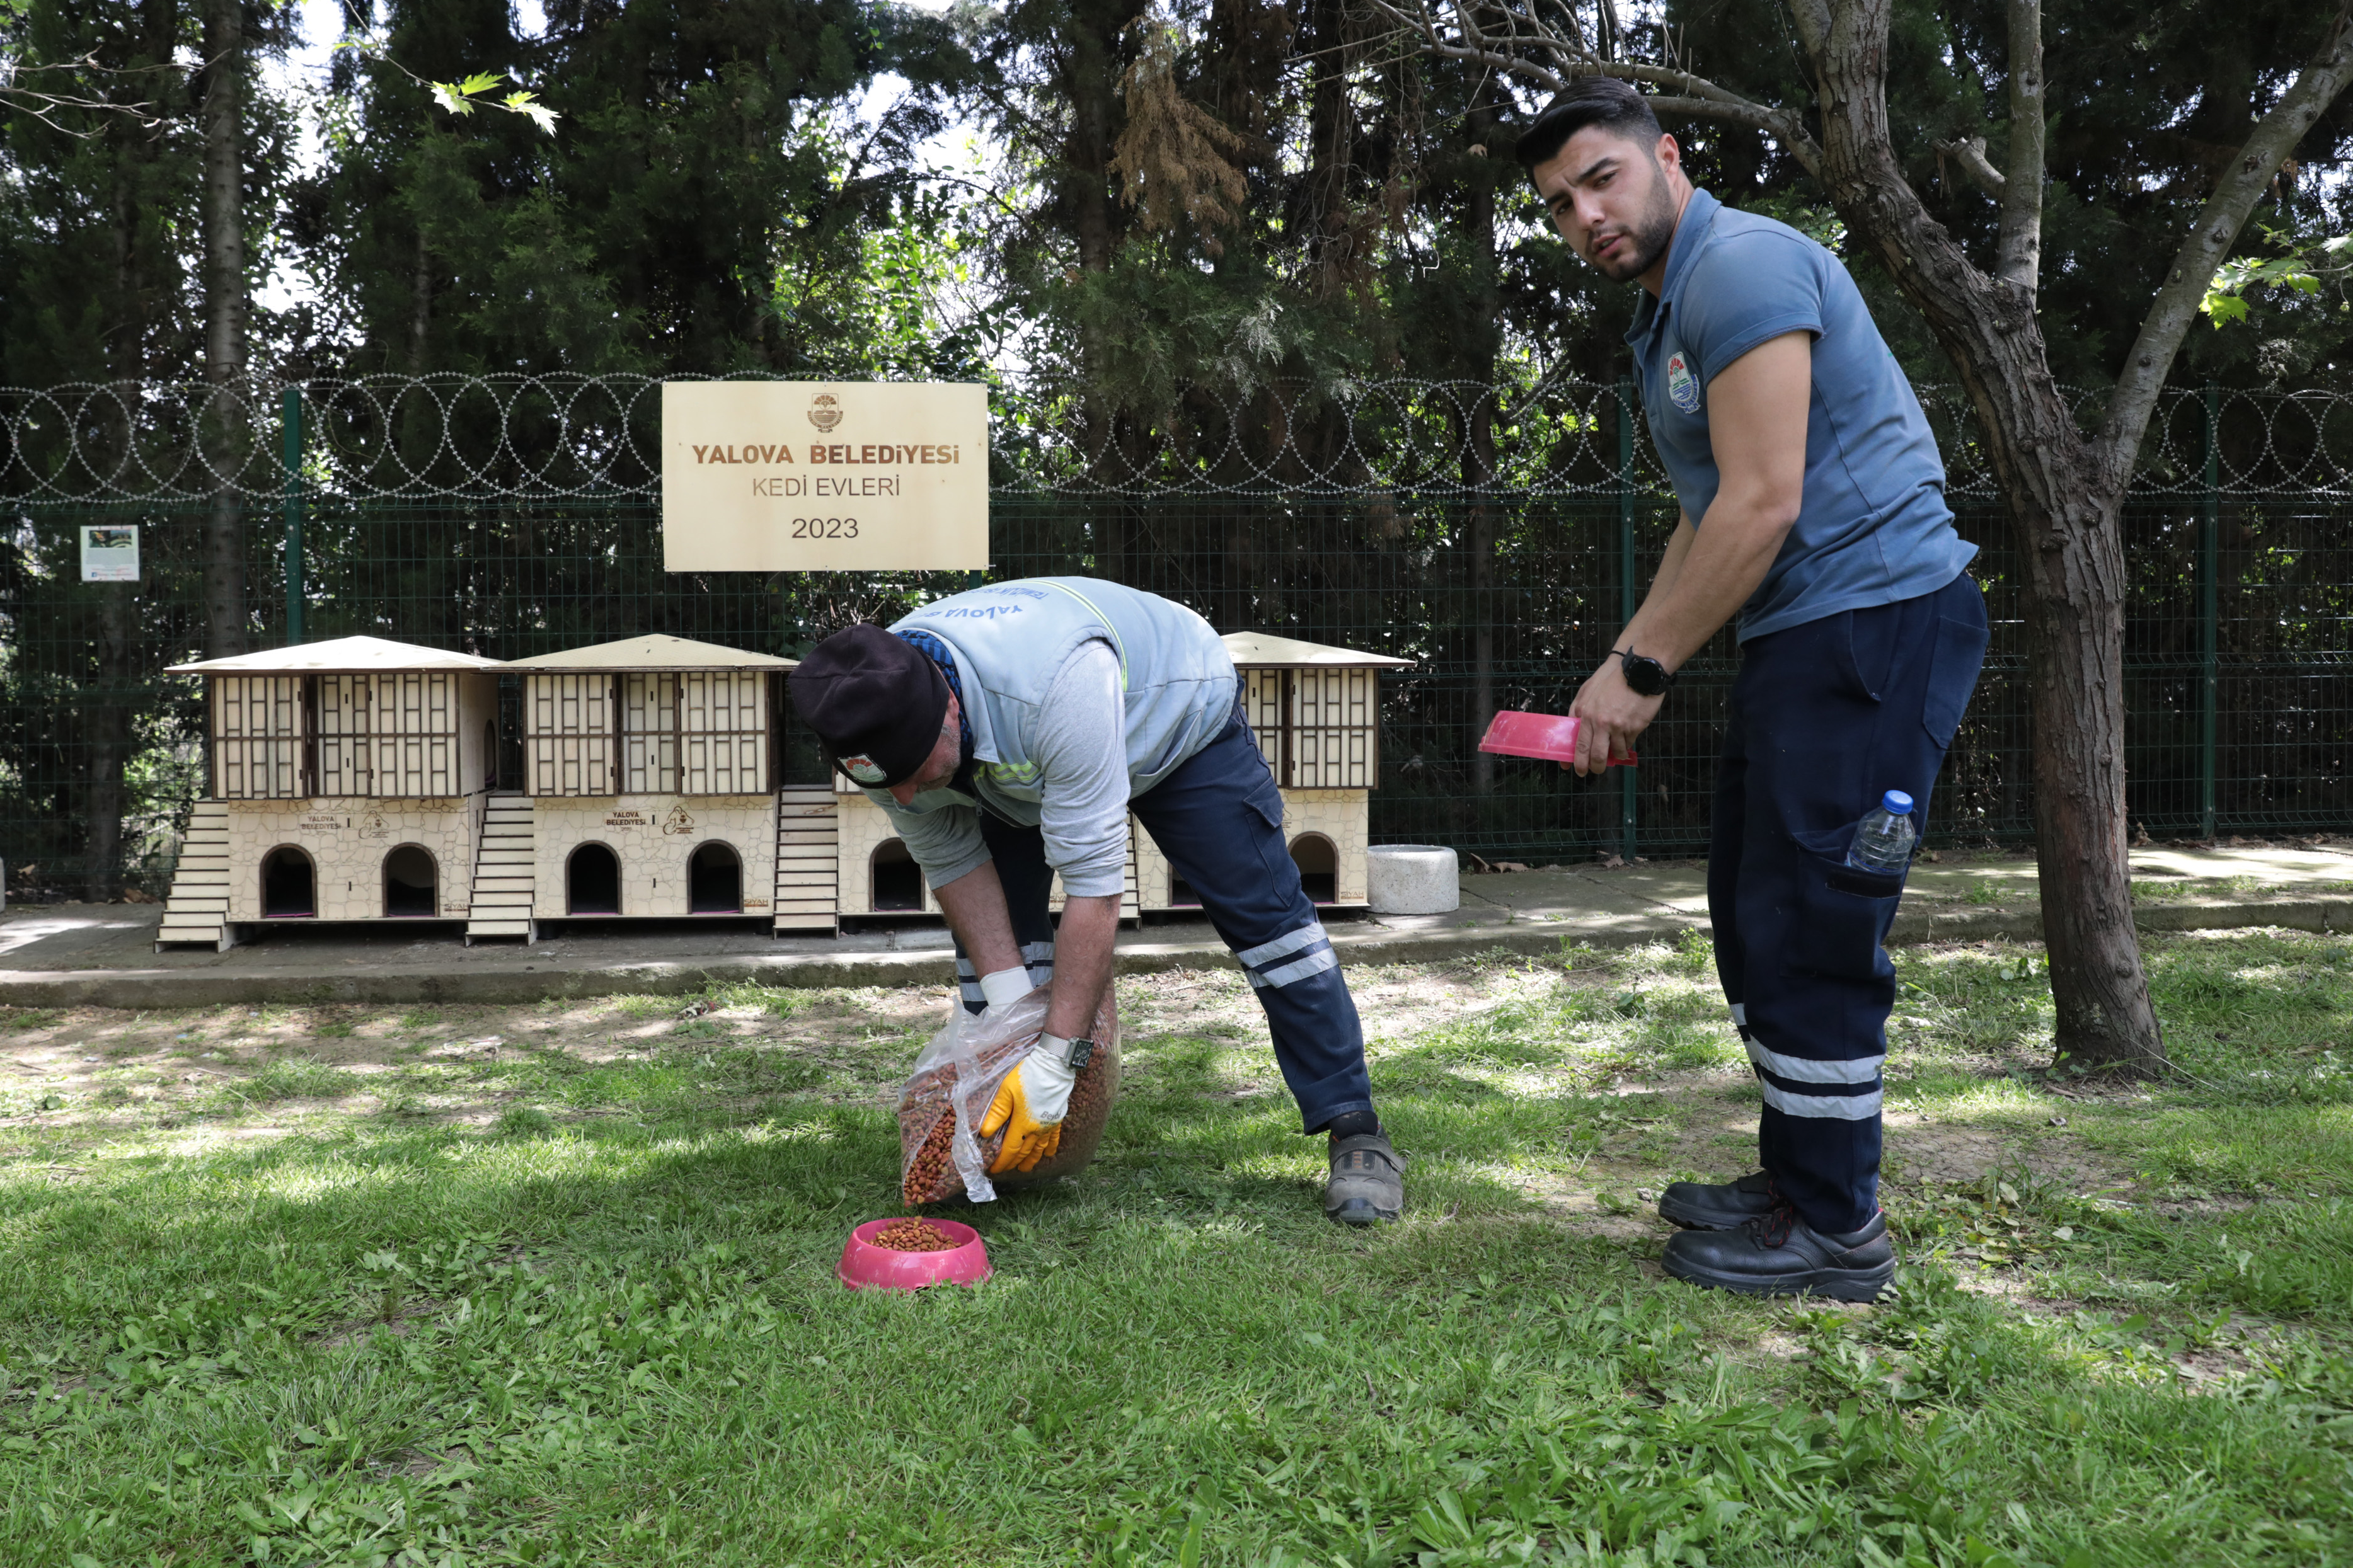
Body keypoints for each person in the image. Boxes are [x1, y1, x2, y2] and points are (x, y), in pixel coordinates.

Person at [1517, 77, 1990, 1300]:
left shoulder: (1740, 270)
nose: (1583, 216)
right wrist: (1620, 666)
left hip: (1874, 619)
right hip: (1810, 632)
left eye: (1599, 179)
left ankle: (1836, 1226)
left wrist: (1642, 667)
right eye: (1559, 205)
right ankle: (1797, 1180)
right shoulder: (1665, 317)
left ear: (1666, 157)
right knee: (1755, 905)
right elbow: (1701, 519)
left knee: (1818, 917)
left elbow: (1764, 500)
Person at [788, 579, 1405, 1225]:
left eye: (920, 776)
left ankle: (1354, 1129)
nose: (907, 800)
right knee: (1003, 958)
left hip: (1172, 722)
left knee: (1271, 932)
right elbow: (952, 863)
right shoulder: (874, 727)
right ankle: (1002, 1129)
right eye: (892, 786)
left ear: (947, 710)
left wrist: (1054, 1063)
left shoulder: (1053, 683)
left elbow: (1093, 886)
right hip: (1013, 759)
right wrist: (1009, 1018)